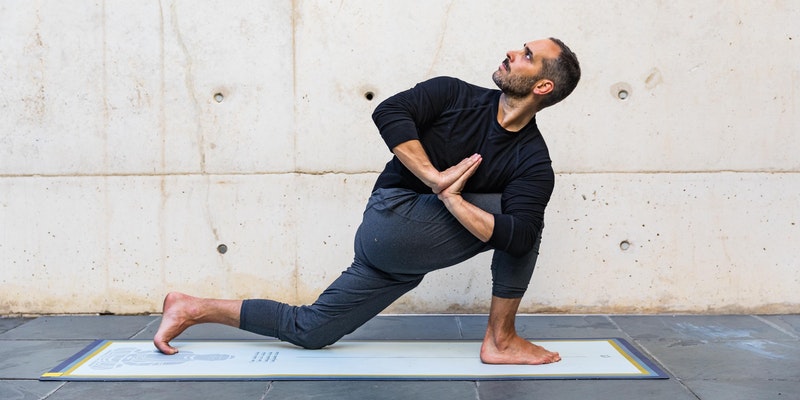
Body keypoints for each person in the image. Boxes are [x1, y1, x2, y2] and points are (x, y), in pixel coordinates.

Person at [154, 37, 580, 365]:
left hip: (398, 254)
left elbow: (519, 235)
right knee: (521, 223)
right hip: (392, 219)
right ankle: (501, 340)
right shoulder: (454, 94)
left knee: (312, 330)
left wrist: (452, 200)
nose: (511, 52)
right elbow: (390, 112)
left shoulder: (533, 161)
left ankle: (192, 308)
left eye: (526, 55)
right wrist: (435, 180)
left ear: (543, 85)